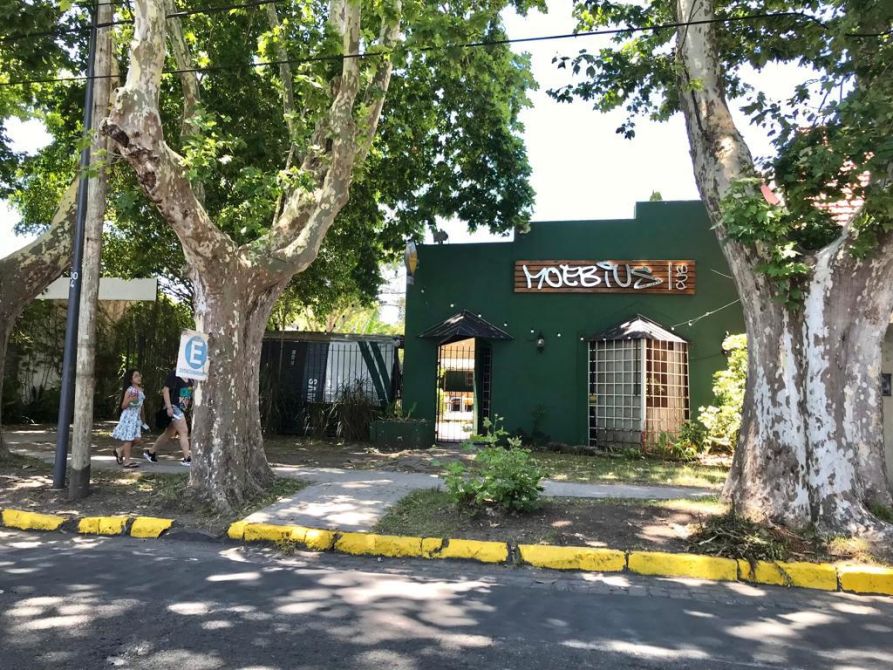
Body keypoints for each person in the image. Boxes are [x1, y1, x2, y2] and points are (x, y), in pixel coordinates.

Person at [144, 371, 193, 466]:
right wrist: (169, 407)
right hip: (174, 407)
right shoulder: (175, 374)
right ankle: (187, 458)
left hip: (181, 409)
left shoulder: (191, 377)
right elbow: (165, 390)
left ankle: (150, 453)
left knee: (169, 433)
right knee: (184, 431)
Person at [111, 369, 148, 469]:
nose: (139, 377)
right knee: (129, 439)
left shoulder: (141, 390)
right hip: (129, 417)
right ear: (131, 379)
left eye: (139, 375)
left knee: (137, 439)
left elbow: (141, 406)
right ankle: (127, 461)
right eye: (136, 376)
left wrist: (143, 419)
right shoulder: (130, 390)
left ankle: (119, 450)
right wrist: (130, 399)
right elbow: (123, 405)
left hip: (136, 418)